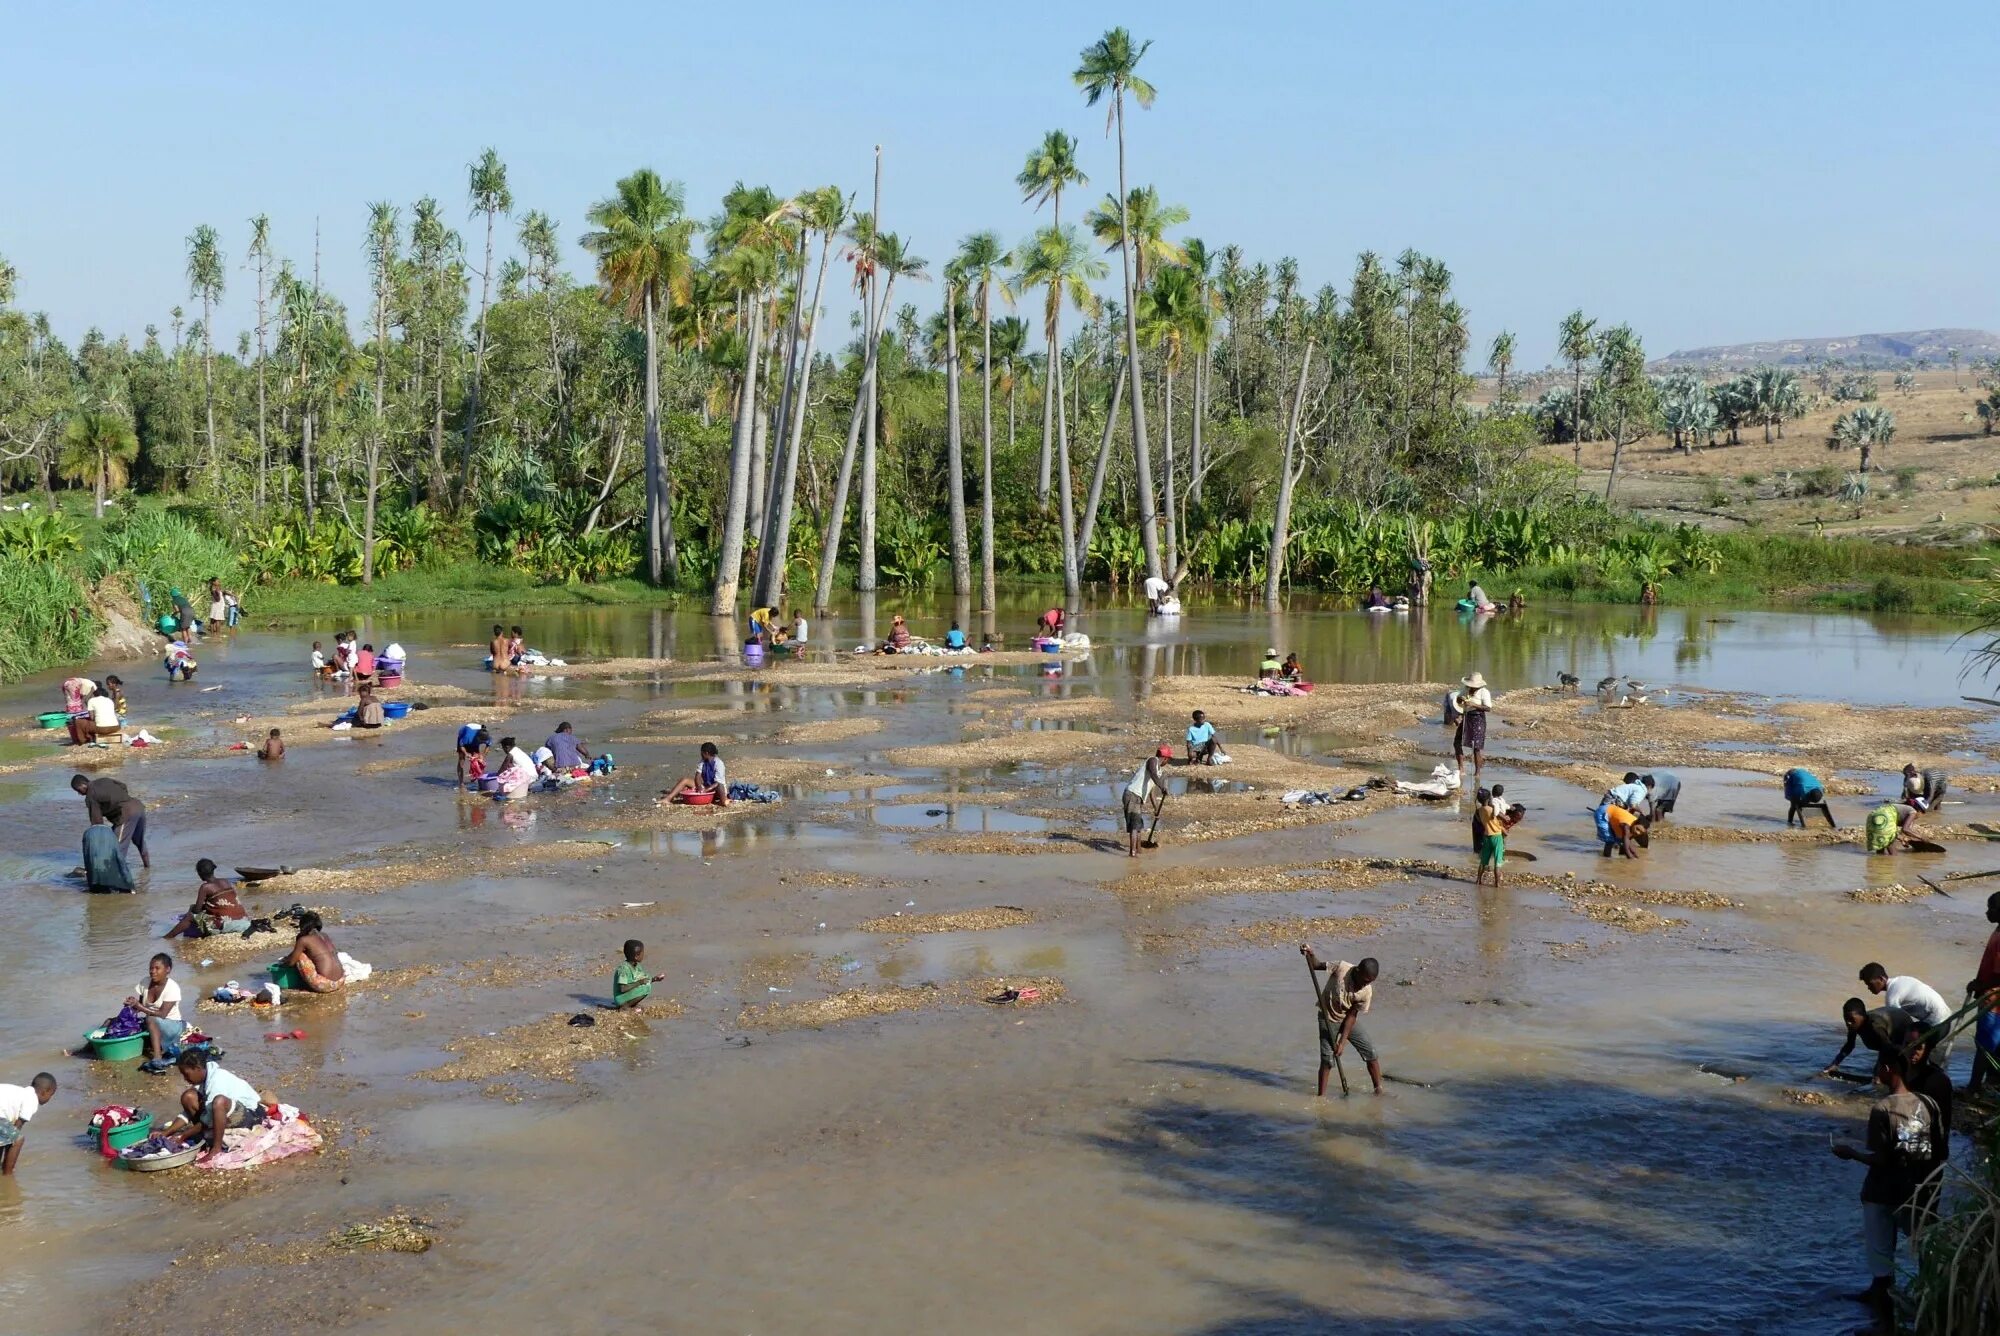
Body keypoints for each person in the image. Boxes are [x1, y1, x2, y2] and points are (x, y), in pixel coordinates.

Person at [1830, 1046, 1943, 1330]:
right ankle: (1931, 1313)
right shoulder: (1929, 1104)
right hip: (1916, 1191)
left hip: (1881, 1194)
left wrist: (1849, 1153)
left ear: (1890, 1069)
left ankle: (1884, 1327)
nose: (1876, 1072)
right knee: (1923, 1254)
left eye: (1879, 1066)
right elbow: (1938, 1150)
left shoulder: (1882, 1109)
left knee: (1882, 1265)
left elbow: (1880, 1160)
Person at [1301, 949, 1383, 1096]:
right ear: (1357, 971)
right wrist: (1311, 954)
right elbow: (1316, 965)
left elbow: (1352, 1015)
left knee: (1371, 1053)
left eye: (1369, 982)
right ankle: (1321, 1098)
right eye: (1364, 981)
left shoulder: (1366, 992)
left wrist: (1342, 1042)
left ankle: (1378, 1090)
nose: (1365, 985)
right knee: (1327, 1060)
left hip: (1347, 1019)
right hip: (1327, 1018)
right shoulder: (1341, 968)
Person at [166, 1049, 266, 1159]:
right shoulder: (204, 1079)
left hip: (252, 1115)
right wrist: (167, 1132)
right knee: (188, 1096)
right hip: (228, 1113)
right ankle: (202, 1136)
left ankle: (216, 1148)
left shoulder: (217, 1080)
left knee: (219, 1102)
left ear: (198, 1069)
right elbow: (187, 1113)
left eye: (186, 1074)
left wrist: (184, 1135)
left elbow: (208, 1119)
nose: (185, 1079)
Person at [1859, 964, 1952, 1058]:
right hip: (1947, 1019)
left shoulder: (1892, 997)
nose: (1868, 988)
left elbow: (1896, 1026)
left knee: (1907, 1050)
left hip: (1937, 1025)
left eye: (1870, 984)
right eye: (1867, 985)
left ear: (1881, 978)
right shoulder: (1900, 980)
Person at [1824, 1000, 1918, 1077]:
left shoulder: (1875, 1025)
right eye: (1846, 1019)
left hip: (1901, 1026)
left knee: (1895, 1060)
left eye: (1851, 1019)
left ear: (1863, 1016)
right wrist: (1835, 1063)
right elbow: (1849, 1045)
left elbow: (1886, 1047)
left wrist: (1878, 1074)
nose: (1848, 1023)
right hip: (1889, 1027)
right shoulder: (1854, 1025)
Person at [73, 772, 149, 868]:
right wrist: (118, 801)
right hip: (138, 806)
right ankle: (147, 870)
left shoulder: (90, 796)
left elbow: (97, 824)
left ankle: (114, 876)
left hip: (126, 815)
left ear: (83, 785)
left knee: (115, 848)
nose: (79, 793)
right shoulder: (104, 780)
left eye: (78, 790)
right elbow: (123, 786)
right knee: (140, 842)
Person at [1965, 892, 2000, 1097]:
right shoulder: (1997, 930)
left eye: (1991, 908)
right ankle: (1991, 1083)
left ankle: (1974, 1087)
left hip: (1992, 1002)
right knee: (1994, 1044)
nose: (1987, 912)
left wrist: (1980, 985)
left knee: (1984, 1046)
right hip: (1990, 997)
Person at [164, 860, 252, 940]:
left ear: (200, 874)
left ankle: (167, 937)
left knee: (190, 917)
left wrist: (191, 909)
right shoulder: (225, 881)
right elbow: (221, 904)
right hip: (244, 920)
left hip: (228, 924)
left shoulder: (205, 887)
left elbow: (197, 911)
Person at [128, 952, 186, 1060]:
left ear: (167, 970)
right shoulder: (145, 982)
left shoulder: (172, 988)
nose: (152, 972)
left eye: (157, 968)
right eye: (151, 968)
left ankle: (157, 1057)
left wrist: (138, 1006)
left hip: (172, 1025)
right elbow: (138, 1007)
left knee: (151, 1019)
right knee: (112, 1021)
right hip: (153, 1023)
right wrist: (131, 1004)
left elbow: (162, 1014)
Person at [0, 1074, 56, 1175]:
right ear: (45, 1092)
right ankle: (7, 1174)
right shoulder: (32, 1100)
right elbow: (17, 1127)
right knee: (18, 1140)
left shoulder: (20, 1092)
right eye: (51, 1095)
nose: (49, 1099)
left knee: (6, 1135)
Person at [281, 911, 346, 993]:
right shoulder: (325, 935)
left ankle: (303, 984)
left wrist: (282, 963)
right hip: (341, 980)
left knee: (301, 956)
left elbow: (291, 962)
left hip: (325, 985)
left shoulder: (304, 940)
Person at [1121, 750, 1167, 858]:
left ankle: (1139, 850)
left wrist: (1156, 809)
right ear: (1165, 758)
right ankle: (1132, 854)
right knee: (1135, 826)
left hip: (1137, 798)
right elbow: (1153, 774)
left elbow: (1152, 793)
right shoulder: (1152, 761)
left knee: (1138, 825)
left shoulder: (1157, 771)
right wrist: (1162, 786)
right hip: (1132, 795)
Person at [664, 742, 728, 805]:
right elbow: (697, 775)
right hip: (706, 786)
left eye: (702, 752)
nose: (701, 754)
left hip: (717, 789)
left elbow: (717, 783)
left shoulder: (719, 763)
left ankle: (724, 800)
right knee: (685, 780)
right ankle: (668, 798)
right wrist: (699, 786)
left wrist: (706, 790)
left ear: (706, 753)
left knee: (719, 786)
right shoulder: (703, 761)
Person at [1457, 672, 1493, 780]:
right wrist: (1461, 699)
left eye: (1473, 686)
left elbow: (1488, 708)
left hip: (1478, 718)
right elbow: (1458, 699)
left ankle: (1477, 773)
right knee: (1457, 742)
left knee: (1476, 747)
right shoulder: (1466, 689)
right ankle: (1461, 768)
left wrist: (1473, 705)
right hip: (1466, 716)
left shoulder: (1484, 692)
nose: (1471, 688)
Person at [614, 939, 666, 1009]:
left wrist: (654, 979)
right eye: (642, 953)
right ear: (636, 956)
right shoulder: (623, 969)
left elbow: (643, 979)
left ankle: (632, 1004)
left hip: (627, 994)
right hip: (621, 997)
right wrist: (639, 983)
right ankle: (625, 1005)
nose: (643, 955)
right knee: (646, 988)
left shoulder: (637, 966)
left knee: (646, 983)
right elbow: (623, 988)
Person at [1474, 788, 1505, 887]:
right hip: (1496, 836)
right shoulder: (1492, 809)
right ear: (1489, 798)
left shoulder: (1479, 811)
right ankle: (1497, 883)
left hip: (1486, 836)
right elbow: (1501, 816)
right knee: (1497, 862)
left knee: (1483, 861)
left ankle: (1478, 880)